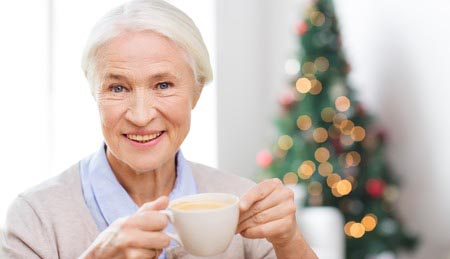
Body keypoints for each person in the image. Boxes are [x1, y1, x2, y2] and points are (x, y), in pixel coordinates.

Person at [0, 0, 318, 258]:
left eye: (163, 84)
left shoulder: (239, 201)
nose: (140, 116)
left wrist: (290, 241)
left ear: (196, 92)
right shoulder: (35, 217)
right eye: (118, 88)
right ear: (94, 93)